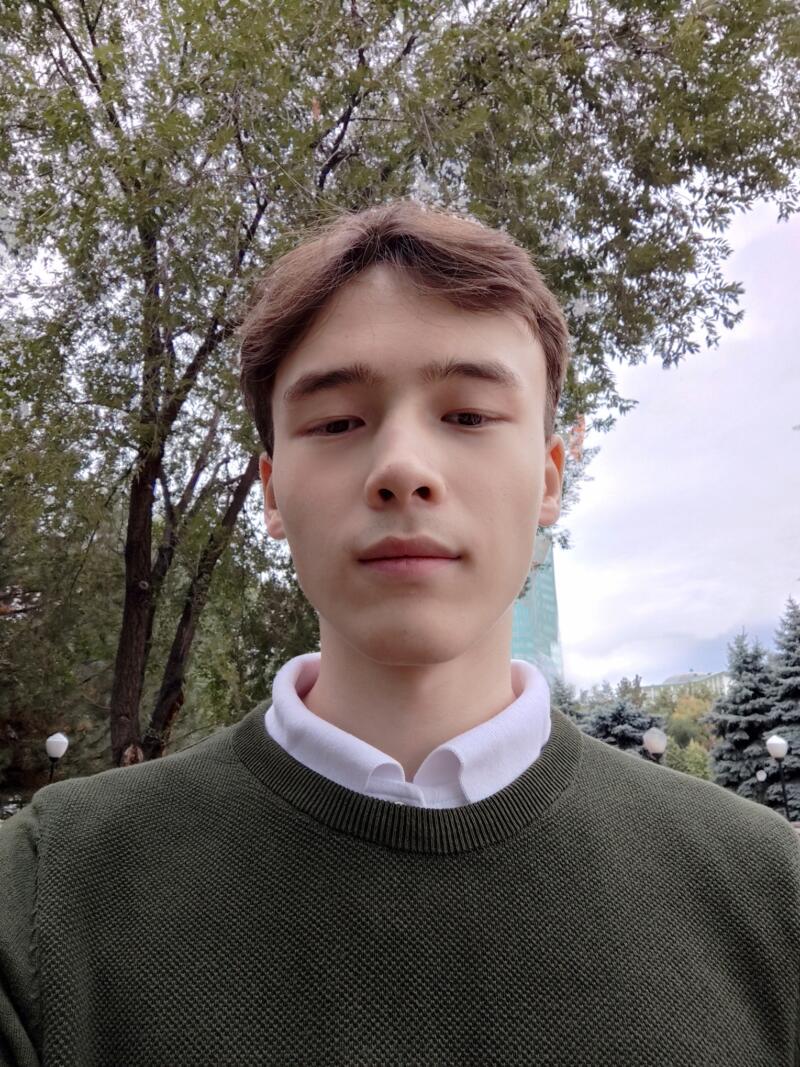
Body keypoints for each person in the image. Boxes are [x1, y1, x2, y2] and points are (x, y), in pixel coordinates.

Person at [1, 202, 798, 1067]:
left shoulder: (767, 892)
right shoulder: (45, 897)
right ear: (272, 491)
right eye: (338, 421)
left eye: (467, 415)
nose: (402, 470)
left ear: (548, 476)